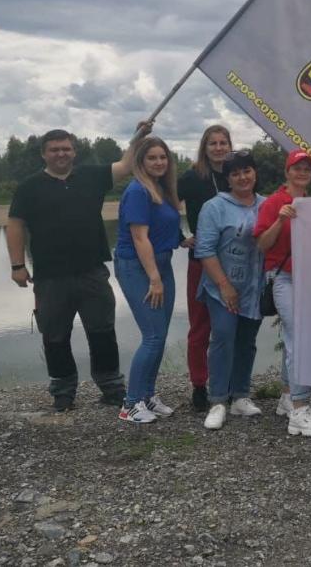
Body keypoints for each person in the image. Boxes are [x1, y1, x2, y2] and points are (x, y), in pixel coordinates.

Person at [6, 124, 150, 412]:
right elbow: (15, 225)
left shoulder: (92, 176)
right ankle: (63, 391)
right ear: (44, 154)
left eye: (66, 149)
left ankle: (111, 387)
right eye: (54, 150)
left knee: (102, 331)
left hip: (92, 271)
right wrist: (17, 265)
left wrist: (139, 136)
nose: (61, 154)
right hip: (50, 276)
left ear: (74, 151)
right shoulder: (29, 187)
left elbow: (125, 165)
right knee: (55, 335)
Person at [254, 149, 311, 437]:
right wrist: (279, 220)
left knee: (292, 337)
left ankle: (287, 396)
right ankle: (300, 409)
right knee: (298, 338)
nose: (302, 172)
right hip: (283, 278)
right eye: (297, 168)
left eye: (307, 169)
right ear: (287, 171)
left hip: (307, 278)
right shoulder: (274, 202)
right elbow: (262, 245)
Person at [113, 136, 186, 423]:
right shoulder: (137, 191)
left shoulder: (161, 189)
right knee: (153, 337)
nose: (158, 162)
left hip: (162, 264)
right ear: (141, 162)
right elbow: (139, 237)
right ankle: (130, 404)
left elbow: (165, 225)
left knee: (160, 336)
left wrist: (183, 240)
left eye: (162, 157)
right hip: (138, 268)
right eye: (152, 157)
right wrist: (155, 279)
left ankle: (147, 396)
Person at [194, 150, 267, 430]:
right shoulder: (214, 207)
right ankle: (217, 400)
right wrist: (225, 286)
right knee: (223, 337)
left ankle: (240, 395)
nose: (242, 177)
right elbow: (204, 249)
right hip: (221, 287)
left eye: (247, 171)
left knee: (247, 341)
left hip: (254, 287)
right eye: (235, 173)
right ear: (228, 179)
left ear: (255, 173)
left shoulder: (267, 204)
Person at [177, 124, 231, 412]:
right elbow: (164, 203)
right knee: (200, 326)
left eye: (223, 142)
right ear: (204, 147)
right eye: (213, 143)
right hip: (200, 261)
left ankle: (228, 383)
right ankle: (199, 385)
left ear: (230, 146)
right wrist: (179, 237)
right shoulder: (192, 176)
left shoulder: (236, 174)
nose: (219, 148)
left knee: (229, 328)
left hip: (233, 262)